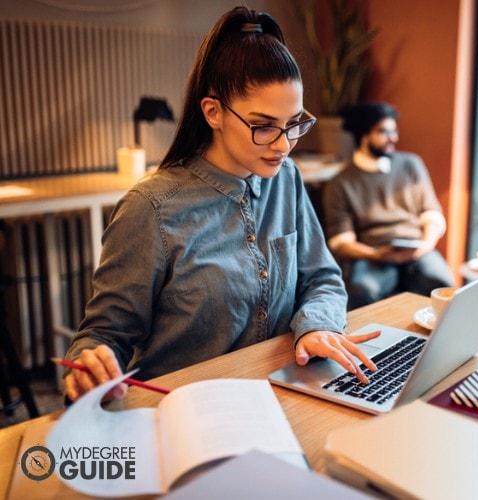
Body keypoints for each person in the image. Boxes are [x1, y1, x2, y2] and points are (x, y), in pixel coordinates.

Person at [63, 8, 379, 402]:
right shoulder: (151, 208)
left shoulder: (287, 178)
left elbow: (322, 280)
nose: (283, 145)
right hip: (186, 413)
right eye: (263, 126)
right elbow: (105, 335)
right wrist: (93, 366)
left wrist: (317, 326)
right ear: (213, 112)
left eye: (294, 123)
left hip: (280, 395)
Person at [322, 102, 455, 310]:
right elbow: (341, 242)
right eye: (384, 132)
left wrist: (424, 246)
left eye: (394, 130)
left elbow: (432, 214)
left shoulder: (411, 165)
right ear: (363, 135)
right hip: (374, 254)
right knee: (361, 291)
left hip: (417, 249)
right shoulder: (340, 183)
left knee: (444, 287)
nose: (394, 138)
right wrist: (375, 254)